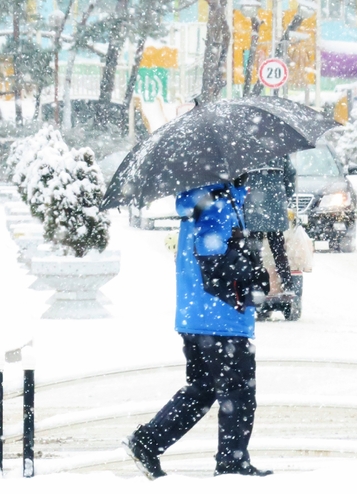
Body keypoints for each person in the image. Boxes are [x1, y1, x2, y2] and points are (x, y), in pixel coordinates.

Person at [123, 178, 272, 480]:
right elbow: (212, 253)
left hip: (198, 314)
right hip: (221, 318)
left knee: (202, 390)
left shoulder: (202, 196)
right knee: (239, 393)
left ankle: (149, 442)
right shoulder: (217, 199)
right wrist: (253, 273)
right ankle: (232, 465)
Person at [244, 155, 297, 292]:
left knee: (254, 248)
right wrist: (286, 194)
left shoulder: (246, 149)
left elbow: (237, 178)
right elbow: (291, 173)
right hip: (276, 203)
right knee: (278, 246)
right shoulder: (279, 150)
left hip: (253, 205)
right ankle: (286, 282)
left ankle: (257, 284)